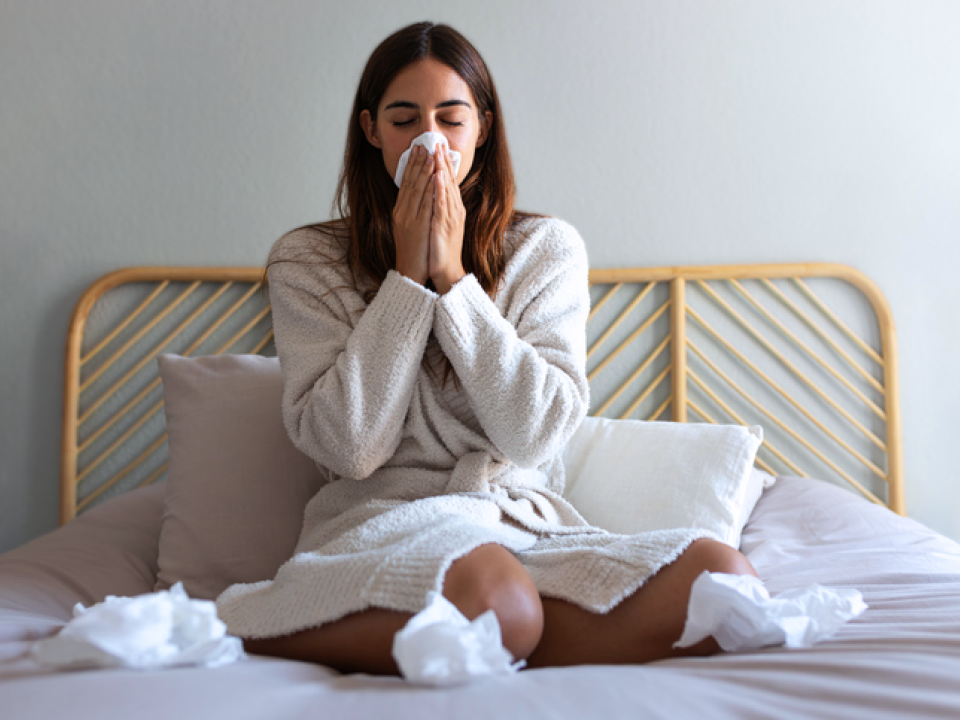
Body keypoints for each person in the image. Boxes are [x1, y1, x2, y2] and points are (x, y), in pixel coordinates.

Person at [215, 21, 757, 676]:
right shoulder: (308, 260)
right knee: (497, 597)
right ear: (370, 130)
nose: (430, 141)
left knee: (719, 582)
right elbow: (351, 448)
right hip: (382, 529)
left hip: (518, 527)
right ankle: (262, 620)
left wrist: (455, 283)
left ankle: (498, 633)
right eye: (404, 118)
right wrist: (408, 282)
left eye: (451, 118)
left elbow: (534, 437)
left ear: (484, 127)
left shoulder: (545, 250)